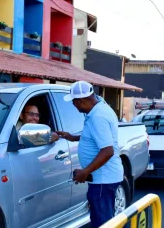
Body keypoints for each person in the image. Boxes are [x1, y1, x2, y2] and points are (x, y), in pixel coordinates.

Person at [56, 81, 123, 228]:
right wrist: (72, 137)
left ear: (81, 100)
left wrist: (85, 172)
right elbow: (96, 137)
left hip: (103, 180)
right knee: (104, 219)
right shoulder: (99, 108)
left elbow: (107, 151)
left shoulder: (98, 116)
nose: (73, 105)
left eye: (74, 102)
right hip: (104, 179)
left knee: (102, 222)